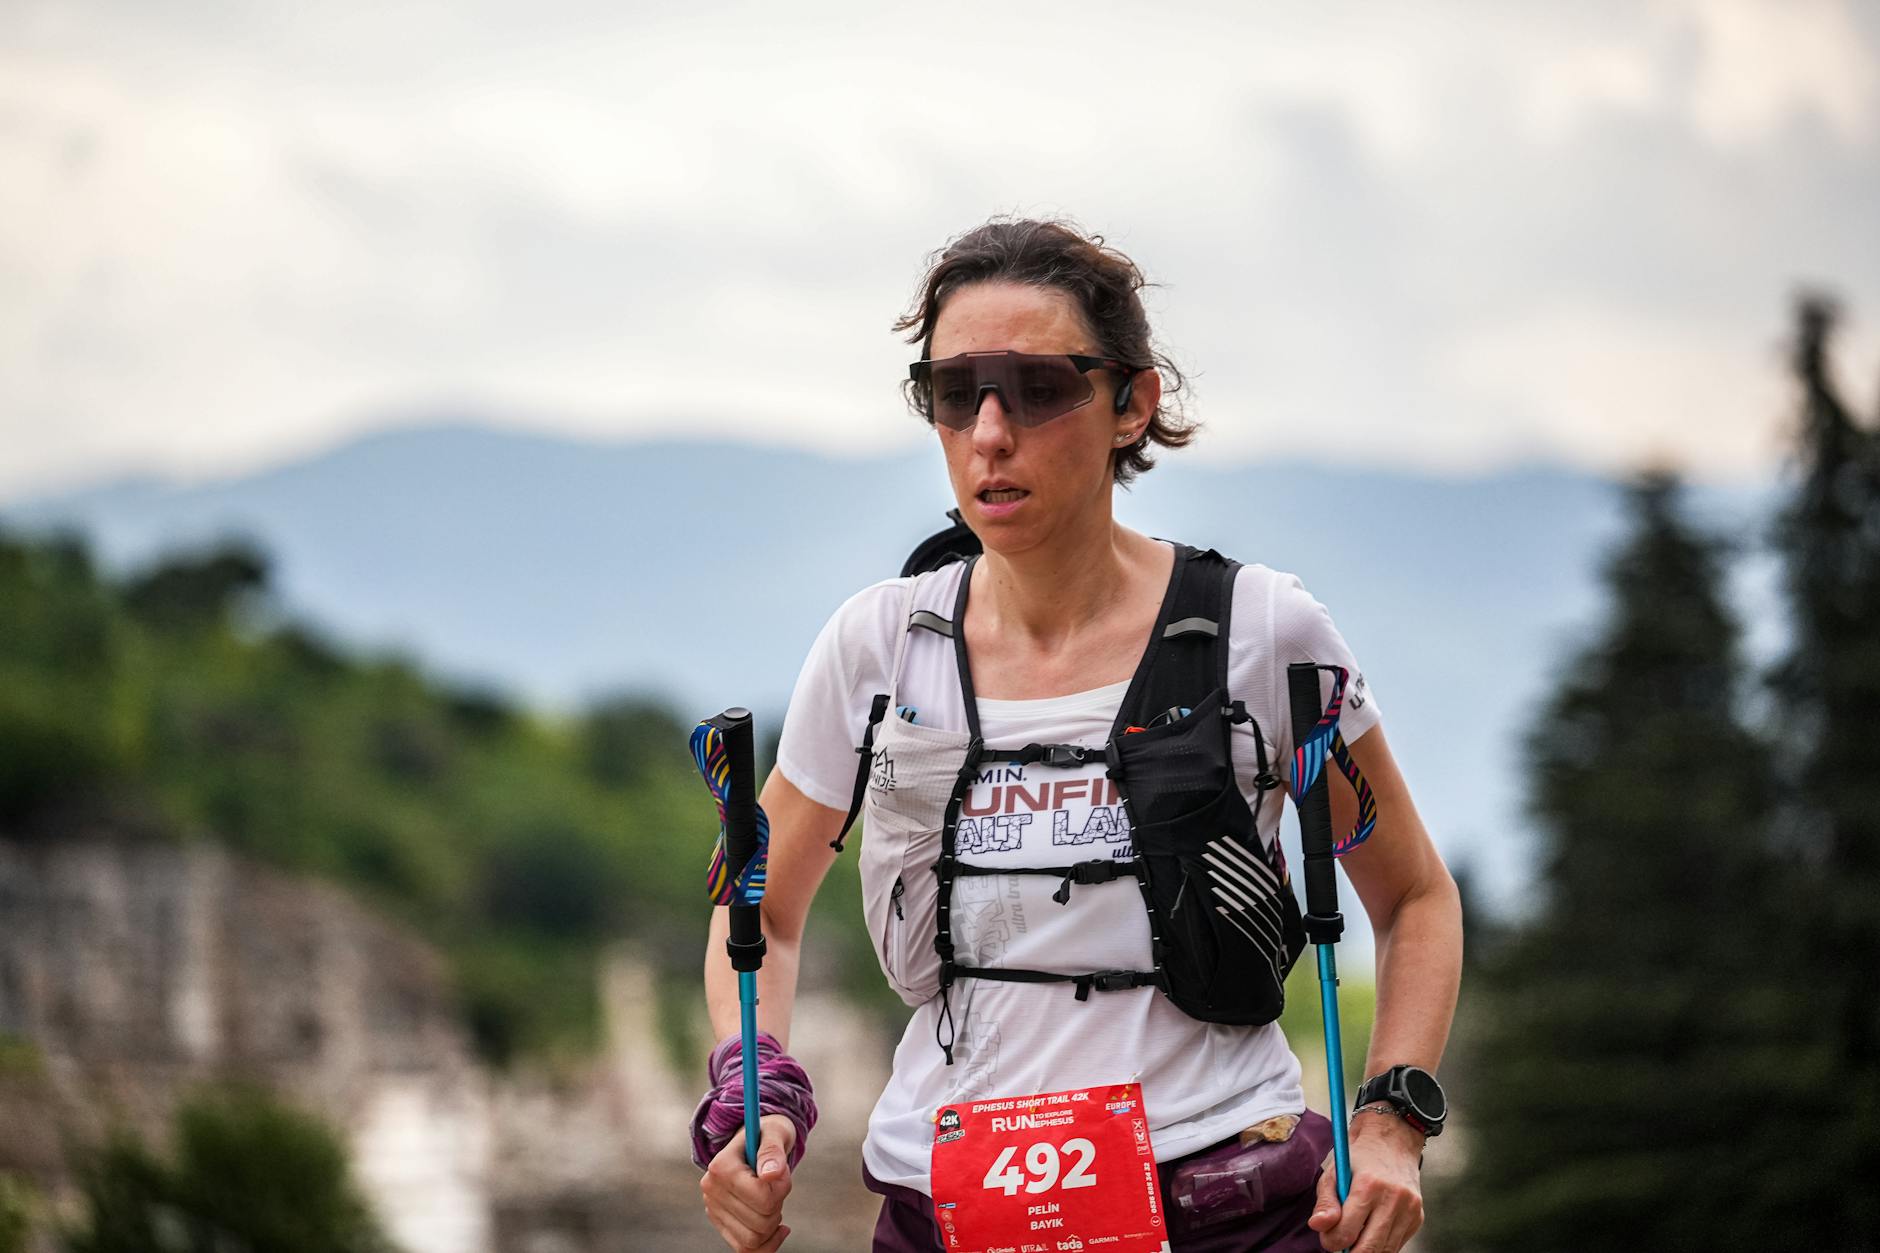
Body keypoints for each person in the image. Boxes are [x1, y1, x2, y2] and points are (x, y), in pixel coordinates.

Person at [696, 218, 1463, 1253]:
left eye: (1038, 386)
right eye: (953, 390)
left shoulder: (1262, 631)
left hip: (1226, 1206)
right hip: (945, 1208)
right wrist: (757, 1090)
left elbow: (1411, 897)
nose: (989, 431)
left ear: (1130, 403)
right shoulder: (877, 645)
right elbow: (763, 908)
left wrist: (1388, 1126)